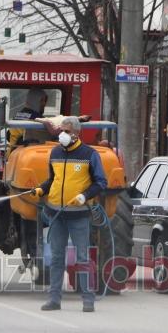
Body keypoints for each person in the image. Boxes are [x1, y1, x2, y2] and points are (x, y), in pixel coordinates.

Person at [32, 116, 107, 313]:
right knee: (56, 258)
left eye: (65, 131)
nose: (62, 134)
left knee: (82, 258)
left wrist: (84, 196)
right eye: (61, 131)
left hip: (79, 216)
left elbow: (101, 182)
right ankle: (54, 300)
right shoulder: (55, 153)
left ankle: (88, 300)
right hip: (56, 214)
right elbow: (52, 180)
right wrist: (41, 190)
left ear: (76, 132)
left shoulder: (89, 154)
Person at [7, 88, 48, 154]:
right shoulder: (39, 120)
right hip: (27, 155)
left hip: (12, 154)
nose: (45, 105)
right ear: (40, 100)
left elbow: (8, 135)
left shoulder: (17, 115)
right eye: (44, 101)